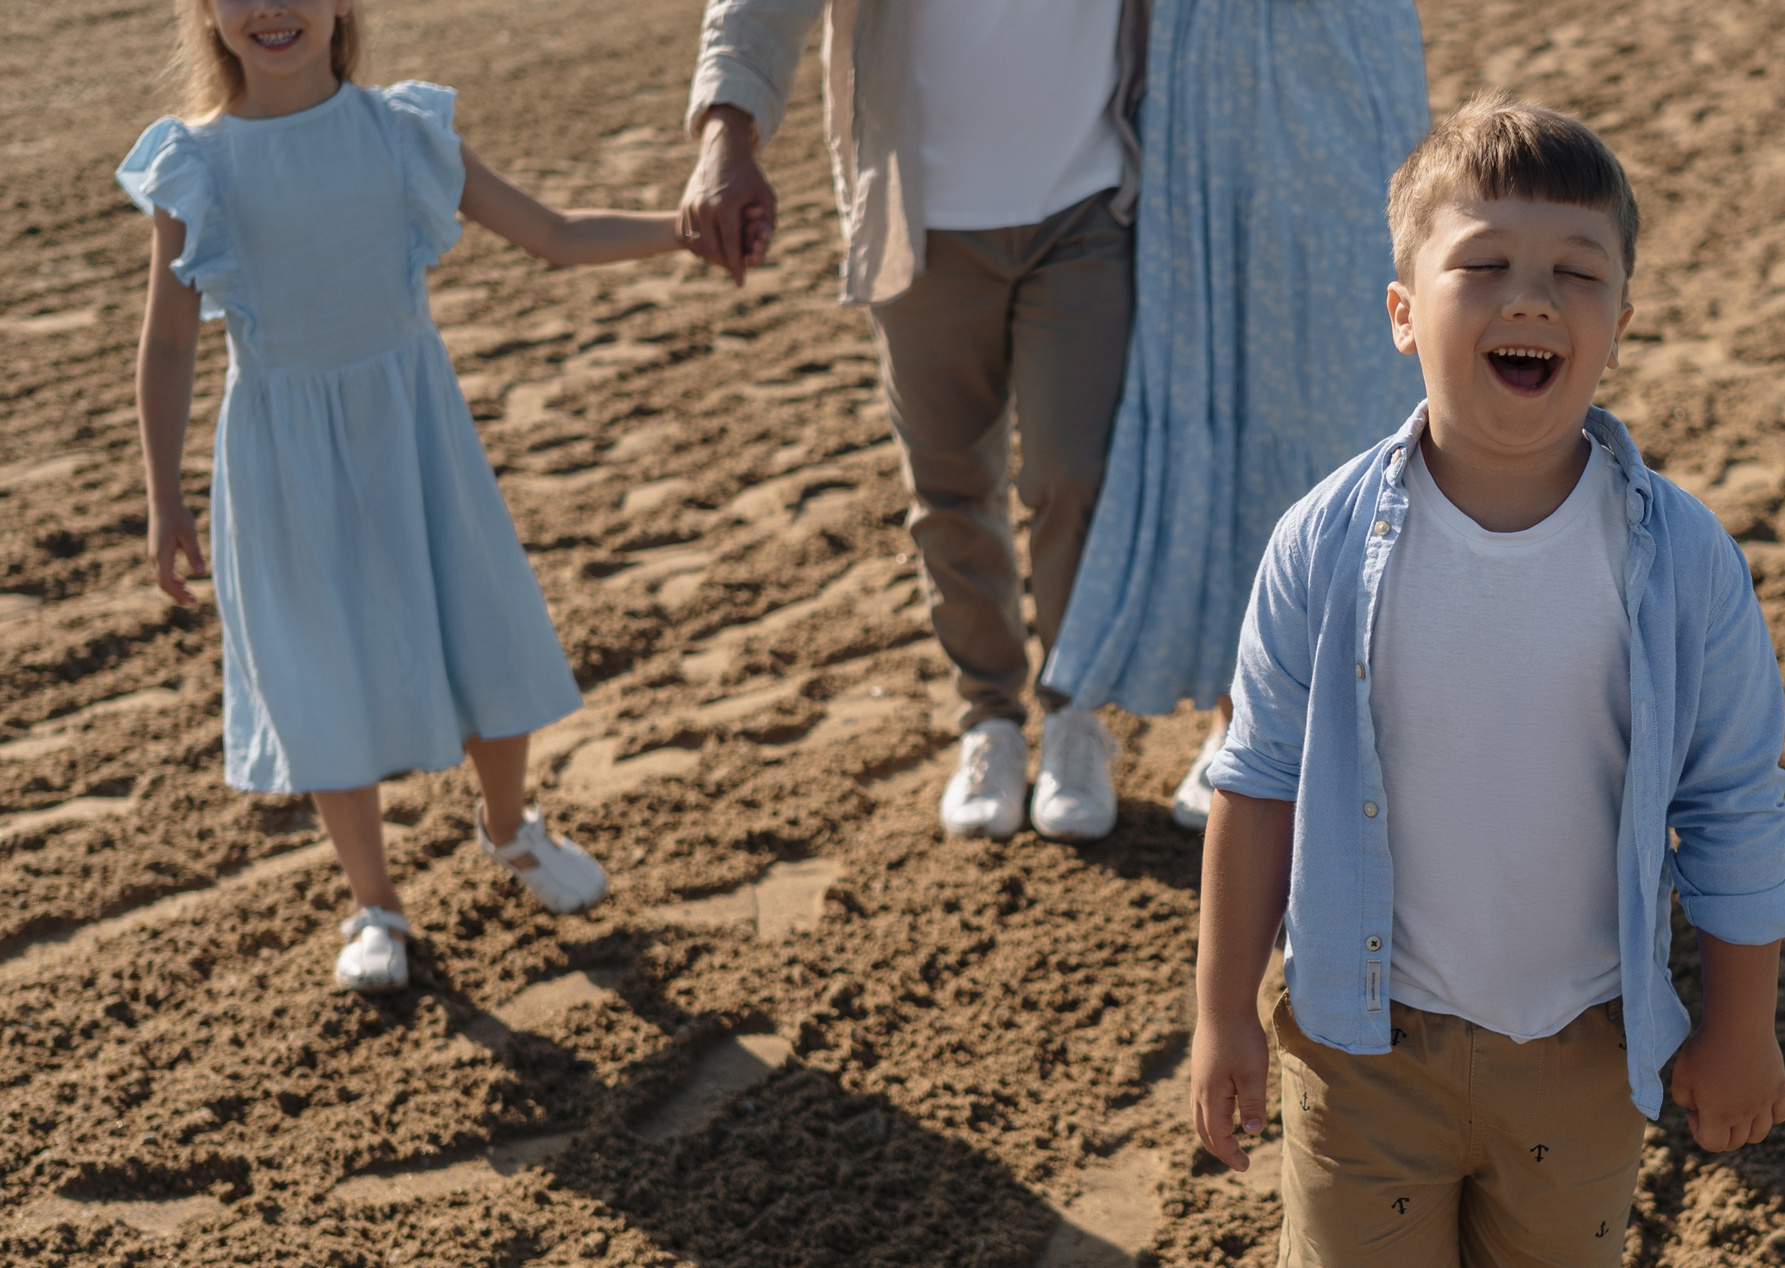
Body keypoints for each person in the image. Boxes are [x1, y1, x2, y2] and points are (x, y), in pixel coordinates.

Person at [1187, 98, 1785, 1268]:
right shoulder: (1325, 543)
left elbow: (1734, 800)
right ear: (1407, 313)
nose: (1533, 297)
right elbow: (1251, 786)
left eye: (1576, 270)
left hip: (1586, 1031)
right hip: (1363, 1023)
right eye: (1487, 264)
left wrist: (1738, 1022)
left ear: (1620, 318)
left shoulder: (1676, 558)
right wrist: (1218, 1018)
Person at [126, 0, 688, 993]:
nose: (272, 8)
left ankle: (511, 829)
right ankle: (374, 905)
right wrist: (164, 497)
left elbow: (553, 234)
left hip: (414, 434)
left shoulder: (401, 133)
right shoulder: (195, 165)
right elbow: (169, 343)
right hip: (281, 458)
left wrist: (686, 230)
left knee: (482, 628)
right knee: (317, 670)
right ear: (206, 13)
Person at [681, 0, 1148, 842]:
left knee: (1075, 474)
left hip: (1090, 204)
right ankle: (991, 720)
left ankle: (1078, 716)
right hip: (916, 210)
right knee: (949, 485)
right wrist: (727, 130)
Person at [1037, 0, 1427, 831]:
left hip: (1343, 45)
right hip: (1204, 57)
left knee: (1340, 388)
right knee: (1219, 372)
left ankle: (1287, 717)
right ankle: (1234, 710)